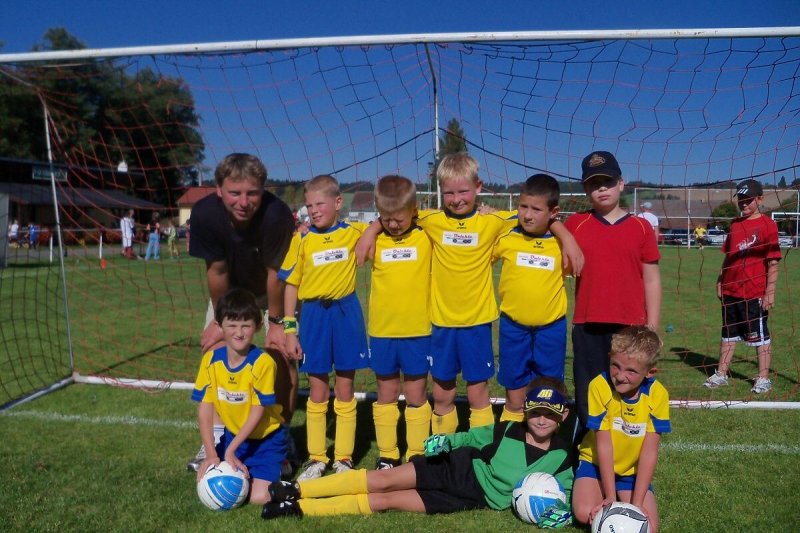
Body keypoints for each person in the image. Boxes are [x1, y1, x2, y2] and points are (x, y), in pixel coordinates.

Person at [356, 153, 583, 437]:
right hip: (441, 324)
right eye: (449, 192)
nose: (456, 199)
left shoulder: (494, 220)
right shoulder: (431, 219)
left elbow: (537, 216)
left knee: (478, 393)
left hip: (477, 324)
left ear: (478, 187)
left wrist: (566, 236)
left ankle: (484, 450)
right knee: (442, 394)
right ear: (440, 191)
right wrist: (371, 230)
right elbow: (395, 211)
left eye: (463, 191)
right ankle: (442, 449)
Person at [262, 377, 574, 526]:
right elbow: (468, 437)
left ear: (563, 416)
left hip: (466, 499)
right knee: (382, 481)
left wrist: (563, 514)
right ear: (525, 412)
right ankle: (297, 489)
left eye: (549, 414)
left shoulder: (562, 459)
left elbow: (567, 494)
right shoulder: (505, 430)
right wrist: (446, 442)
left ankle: (296, 509)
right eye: (536, 412)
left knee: (387, 501)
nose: (541, 420)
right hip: (453, 467)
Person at [187, 153, 296, 473]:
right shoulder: (204, 213)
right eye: (235, 193)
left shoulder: (277, 214)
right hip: (231, 291)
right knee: (215, 353)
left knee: (282, 356)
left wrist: (277, 323)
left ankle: (281, 437)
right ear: (218, 189)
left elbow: (276, 275)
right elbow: (217, 270)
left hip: (274, 289)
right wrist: (220, 321)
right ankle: (217, 439)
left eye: (252, 193)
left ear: (263, 190)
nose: (244, 202)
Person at [279, 174, 370, 481]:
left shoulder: (354, 231)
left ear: (338, 202)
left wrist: (371, 232)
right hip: (314, 316)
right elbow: (291, 285)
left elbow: (383, 223)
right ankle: (317, 458)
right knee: (317, 388)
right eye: (309, 205)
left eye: (320, 204)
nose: (314, 210)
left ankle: (343, 457)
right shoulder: (302, 239)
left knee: (345, 387)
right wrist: (289, 329)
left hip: (346, 314)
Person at [565, 151, 661, 433]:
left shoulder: (641, 227)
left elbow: (651, 280)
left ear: (621, 183)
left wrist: (652, 327)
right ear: (586, 189)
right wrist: (561, 231)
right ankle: (588, 449)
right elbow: (543, 221)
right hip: (588, 325)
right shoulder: (575, 224)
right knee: (588, 395)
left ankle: (626, 449)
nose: (602, 188)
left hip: (631, 329)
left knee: (628, 392)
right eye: (594, 184)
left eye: (608, 181)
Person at [192, 288, 286, 505]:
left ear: (258, 326)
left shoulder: (263, 363)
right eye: (232, 325)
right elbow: (205, 409)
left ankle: (282, 463)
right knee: (215, 476)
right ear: (219, 326)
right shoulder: (210, 361)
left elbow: (257, 411)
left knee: (258, 497)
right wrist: (211, 453)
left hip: (266, 440)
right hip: (233, 436)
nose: (239, 332)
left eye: (246, 325)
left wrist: (230, 451)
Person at [571, 326, 670, 533]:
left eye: (631, 371)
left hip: (631, 472)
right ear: (609, 358)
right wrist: (609, 496)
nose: (620, 376)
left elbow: (649, 452)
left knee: (649, 527)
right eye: (615, 366)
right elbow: (604, 445)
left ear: (649, 372)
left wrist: (637, 503)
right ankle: (607, 491)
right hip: (595, 463)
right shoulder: (599, 386)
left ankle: (623, 494)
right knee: (584, 513)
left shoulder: (658, 395)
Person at [491, 174, 569, 423]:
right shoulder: (507, 237)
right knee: (514, 398)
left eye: (536, 209)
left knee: (548, 396)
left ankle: (544, 442)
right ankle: (510, 439)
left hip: (551, 329)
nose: (527, 215)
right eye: (523, 206)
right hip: (513, 328)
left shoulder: (562, 244)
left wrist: (568, 238)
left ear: (553, 212)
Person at [368, 175, 433, 468]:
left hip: (418, 330)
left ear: (414, 211)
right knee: (387, 392)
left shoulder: (426, 234)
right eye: (386, 218)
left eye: (399, 218)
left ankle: (416, 453)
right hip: (382, 331)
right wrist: (373, 229)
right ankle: (388, 455)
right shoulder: (375, 237)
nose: (393, 224)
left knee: (416, 393)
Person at [703, 179, 781, 394]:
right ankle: (721, 374)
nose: (744, 203)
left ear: (760, 199)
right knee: (728, 334)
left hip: (754, 292)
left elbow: (773, 262)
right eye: (741, 199)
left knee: (760, 336)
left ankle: (763, 378)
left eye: (748, 200)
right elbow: (729, 257)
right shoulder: (735, 225)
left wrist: (770, 293)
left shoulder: (768, 225)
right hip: (731, 291)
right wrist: (720, 280)